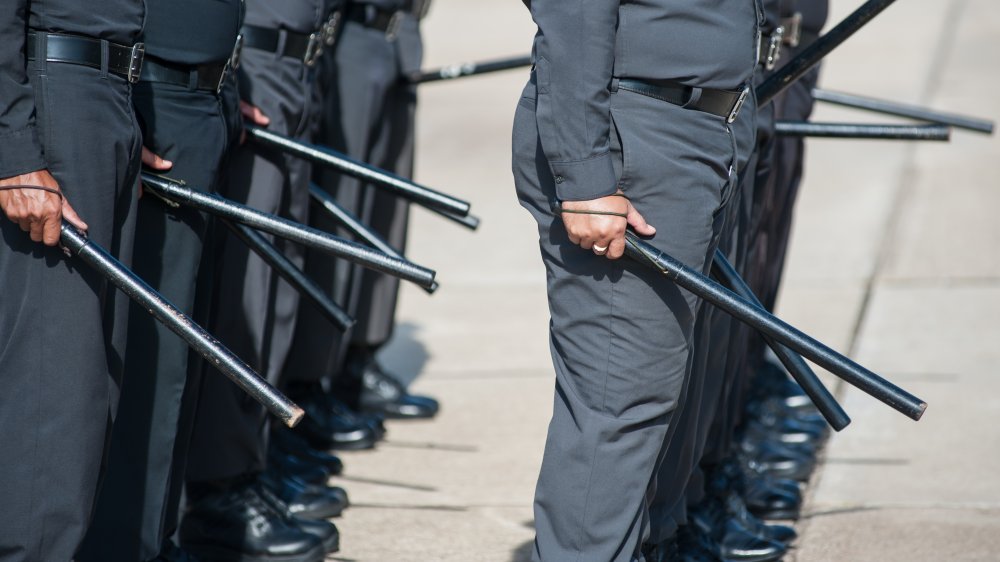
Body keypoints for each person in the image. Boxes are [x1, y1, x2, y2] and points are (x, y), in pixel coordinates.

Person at [511, 0, 760, 559]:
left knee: (666, 390)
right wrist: (585, 174)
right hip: (633, 132)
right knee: (616, 404)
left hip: (699, 125)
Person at [74, 2, 247, 560]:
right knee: (149, 356)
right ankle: (128, 545)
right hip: (149, 90)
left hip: (201, 90)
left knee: (182, 355)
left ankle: (155, 536)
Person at [180, 2, 346, 560]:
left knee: (277, 281)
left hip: (283, 61)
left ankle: (253, 461)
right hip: (249, 58)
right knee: (244, 297)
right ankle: (220, 489)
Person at [0, 1, 144, 559]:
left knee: (88, 387)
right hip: (51, 96)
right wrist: (12, 147)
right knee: (51, 387)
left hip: (102, 90)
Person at [283, 0, 438, 443]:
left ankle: (355, 359)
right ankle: (311, 380)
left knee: (382, 207)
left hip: (398, 27)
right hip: (349, 27)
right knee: (343, 212)